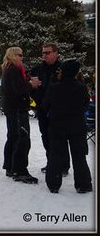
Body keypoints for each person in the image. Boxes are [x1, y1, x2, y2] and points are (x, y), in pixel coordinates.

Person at [44, 60, 93, 194]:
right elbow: (85, 105)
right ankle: (83, 184)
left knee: (55, 154)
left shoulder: (54, 87)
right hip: (77, 125)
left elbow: (46, 104)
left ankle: (53, 184)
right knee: (79, 155)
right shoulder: (82, 88)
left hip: (57, 125)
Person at [0, 46, 42, 184]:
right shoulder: (13, 70)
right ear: (12, 55)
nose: (21, 57)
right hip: (17, 109)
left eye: (22, 55)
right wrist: (31, 84)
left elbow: (16, 87)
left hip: (13, 109)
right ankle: (19, 170)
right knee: (22, 138)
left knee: (13, 136)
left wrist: (28, 81)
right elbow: (19, 89)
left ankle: (10, 167)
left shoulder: (10, 69)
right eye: (19, 55)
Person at [30, 43, 68, 176]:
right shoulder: (37, 69)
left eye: (48, 52)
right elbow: (31, 87)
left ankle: (63, 165)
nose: (45, 55)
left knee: (59, 138)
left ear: (56, 53)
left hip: (58, 110)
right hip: (42, 109)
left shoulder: (63, 69)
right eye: (43, 53)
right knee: (45, 136)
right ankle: (51, 162)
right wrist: (35, 94)